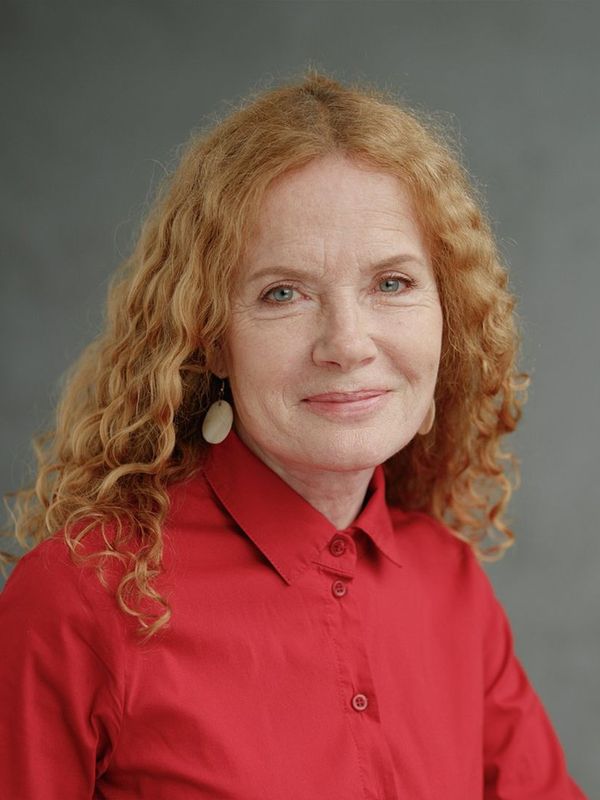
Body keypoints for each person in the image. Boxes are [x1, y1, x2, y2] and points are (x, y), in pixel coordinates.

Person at [0, 71, 587, 800]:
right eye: (283, 293)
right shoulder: (83, 597)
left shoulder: (450, 583)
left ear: (450, 313)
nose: (347, 344)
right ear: (210, 338)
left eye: (392, 283)